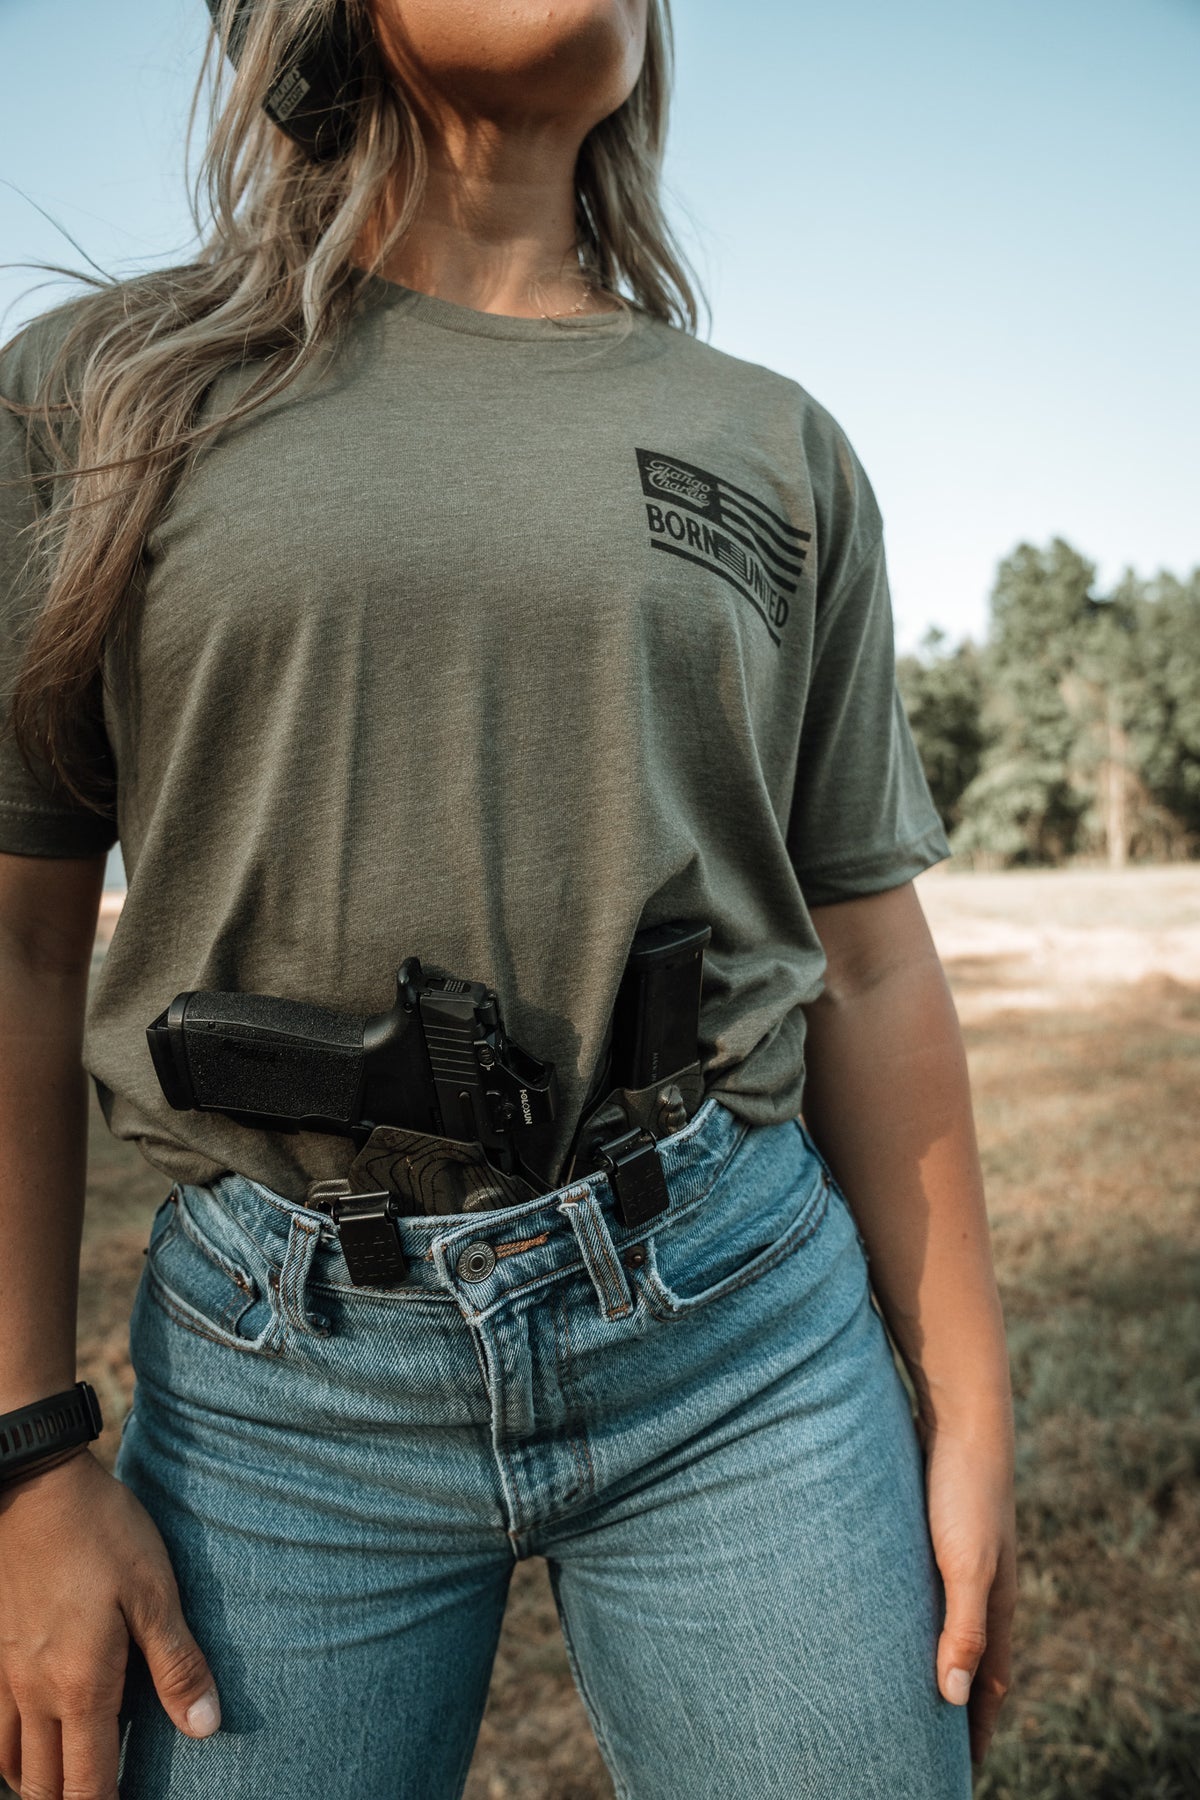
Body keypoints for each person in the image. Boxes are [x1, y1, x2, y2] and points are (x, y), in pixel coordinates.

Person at [0, 1, 1016, 1796]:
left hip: (737, 1333)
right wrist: (21, 1456)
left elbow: (866, 961)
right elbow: (12, 947)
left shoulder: (772, 442)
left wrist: (973, 1420)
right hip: (279, 1383)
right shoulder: (106, 389)